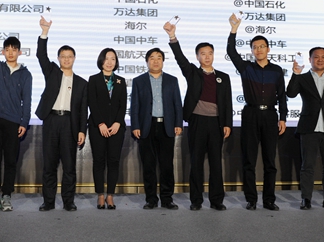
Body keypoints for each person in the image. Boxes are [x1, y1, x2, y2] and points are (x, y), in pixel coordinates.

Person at [164, 20, 232, 211]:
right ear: (197, 56)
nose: (207, 56)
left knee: (216, 164)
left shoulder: (223, 77)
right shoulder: (193, 72)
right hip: (197, 122)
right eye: (203, 53)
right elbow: (180, 58)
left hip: (217, 123)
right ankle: (196, 200)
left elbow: (227, 102)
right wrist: (172, 36)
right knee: (196, 162)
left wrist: (227, 123)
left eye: (210, 53)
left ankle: (217, 200)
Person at [227, 14, 287, 211]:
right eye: (255, 47)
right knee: (249, 160)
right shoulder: (246, 68)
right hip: (250, 115)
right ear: (252, 50)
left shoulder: (277, 70)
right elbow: (231, 51)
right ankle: (251, 199)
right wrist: (234, 29)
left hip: (270, 116)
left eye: (262, 46)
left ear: (268, 49)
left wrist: (283, 118)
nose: (259, 49)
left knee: (270, 161)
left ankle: (269, 200)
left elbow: (282, 96)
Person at [0, 5, 32, 212]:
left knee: (10, 161)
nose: (10, 53)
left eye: (14, 50)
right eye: (7, 50)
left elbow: (27, 101)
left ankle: (7, 196)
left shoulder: (25, 74)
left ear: (19, 52)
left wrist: (24, 122)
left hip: (13, 122)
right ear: (3, 52)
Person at [36, 16, 88, 212]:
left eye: (70, 56)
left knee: (69, 166)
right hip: (51, 120)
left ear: (74, 59)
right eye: (63, 56)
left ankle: (68, 201)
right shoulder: (51, 72)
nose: (66, 59)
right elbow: (41, 55)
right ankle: (48, 202)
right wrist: (44, 32)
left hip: (69, 124)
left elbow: (83, 110)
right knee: (49, 165)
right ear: (58, 58)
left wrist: (82, 130)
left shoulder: (82, 83)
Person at [286, 47, 324, 210]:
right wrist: (295, 74)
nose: (320, 60)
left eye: (323, 57)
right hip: (309, 128)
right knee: (308, 165)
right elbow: (290, 93)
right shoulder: (303, 78)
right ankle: (306, 199)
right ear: (310, 60)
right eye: (316, 57)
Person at [130, 48, 183, 210]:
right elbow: (135, 106)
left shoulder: (172, 80)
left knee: (167, 165)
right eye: (152, 58)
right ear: (147, 61)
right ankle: (151, 199)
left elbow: (177, 104)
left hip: (166, 126)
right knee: (149, 165)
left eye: (159, 58)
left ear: (163, 61)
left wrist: (178, 123)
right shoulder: (138, 81)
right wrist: (135, 125)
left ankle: (167, 199)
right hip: (147, 127)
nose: (155, 61)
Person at [87, 48, 127, 209]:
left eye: (113, 59)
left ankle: (110, 195)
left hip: (117, 128)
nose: (109, 62)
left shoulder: (121, 81)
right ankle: (100, 195)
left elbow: (123, 104)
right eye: (107, 58)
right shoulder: (93, 79)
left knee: (113, 161)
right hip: (98, 127)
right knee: (99, 161)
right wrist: (100, 123)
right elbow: (92, 103)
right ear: (101, 61)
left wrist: (118, 122)